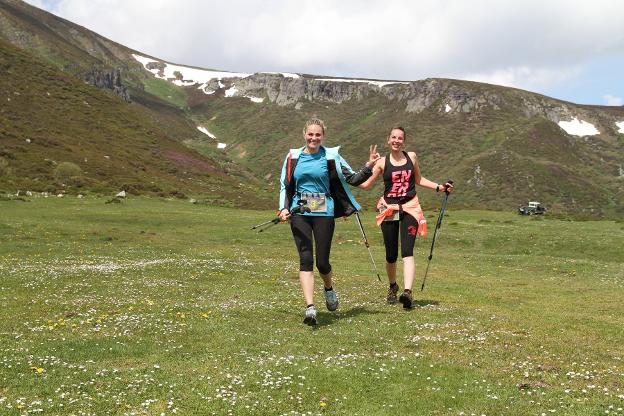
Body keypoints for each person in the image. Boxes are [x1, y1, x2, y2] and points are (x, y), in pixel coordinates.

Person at [278, 117, 380, 325]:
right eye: (310, 134)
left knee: (322, 262)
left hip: (324, 211)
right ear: (304, 134)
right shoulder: (292, 157)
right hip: (300, 211)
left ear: (323, 136)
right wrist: (283, 208)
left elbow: (353, 179)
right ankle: (310, 308)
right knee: (305, 259)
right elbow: (284, 185)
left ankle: (329, 288)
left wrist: (369, 165)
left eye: (318, 134)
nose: (313, 138)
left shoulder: (331, 156)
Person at [359, 126, 454, 309]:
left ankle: (408, 292)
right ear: (388, 140)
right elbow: (365, 185)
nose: (396, 140)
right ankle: (393, 285)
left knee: (407, 251)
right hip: (388, 210)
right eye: (393, 137)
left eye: (400, 138)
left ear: (404, 140)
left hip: (410, 208)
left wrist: (439, 187)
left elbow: (418, 179)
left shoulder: (411, 157)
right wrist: (367, 165)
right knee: (391, 255)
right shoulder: (382, 163)